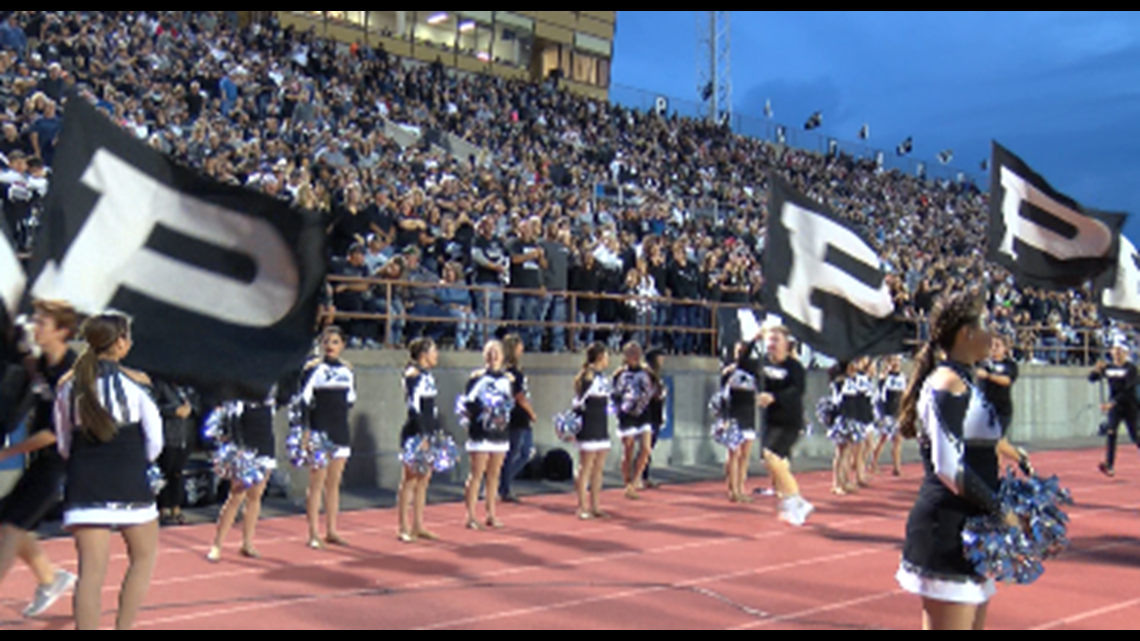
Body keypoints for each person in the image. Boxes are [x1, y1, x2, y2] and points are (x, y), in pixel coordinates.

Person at [896, 292, 1016, 631]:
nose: (993, 333)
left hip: (969, 529)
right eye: (986, 324)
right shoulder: (947, 382)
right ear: (966, 332)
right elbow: (948, 467)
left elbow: (979, 444)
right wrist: (998, 508)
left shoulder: (965, 380)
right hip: (946, 529)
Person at [54, 312, 163, 631]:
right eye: (127, 336)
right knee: (142, 559)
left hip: (85, 483)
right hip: (130, 482)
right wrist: (134, 464)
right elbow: (155, 441)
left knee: (90, 573)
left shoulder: (68, 386)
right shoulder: (138, 383)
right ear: (119, 343)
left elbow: (63, 443)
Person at [0, 301, 78, 619]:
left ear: (62, 331)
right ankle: (50, 578)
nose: (36, 325)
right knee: (10, 522)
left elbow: (54, 434)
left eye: (43, 322)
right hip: (42, 462)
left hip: (62, 465)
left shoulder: (71, 375)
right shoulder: (45, 364)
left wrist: (5, 453)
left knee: (11, 530)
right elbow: (30, 371)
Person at [298, 327, 356, 549]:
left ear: (342, 345)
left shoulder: (348, 371)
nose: (330, 346)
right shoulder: (313, 369)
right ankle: (313, 532)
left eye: (335, 341)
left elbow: (350, 401)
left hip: (340, 430)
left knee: (334, 484)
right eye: (326, 341)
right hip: (319, 430)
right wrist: (305, 431)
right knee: (316, 483)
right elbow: (303, 402)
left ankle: (331, 530)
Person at [207, 388, 278, 563]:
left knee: (255, 497)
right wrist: (237, 451)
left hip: (265, 449)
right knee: (236, 497)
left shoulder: (269, 395)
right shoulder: (238, 398)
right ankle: (217, 544)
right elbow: (232, 425)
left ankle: (247, 543)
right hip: (244, 452)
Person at [759, 325, 813, 527]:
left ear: (786, 343)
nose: (772, 344)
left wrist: (774, 397)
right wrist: (753, 340)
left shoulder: (794, 367)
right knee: (774, 463)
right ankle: (792, 500)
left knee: (772, 456)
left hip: (790, 420)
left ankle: (796, 500)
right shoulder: (763, 363)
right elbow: (743, 361)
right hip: (770, 420)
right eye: (769, 340)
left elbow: (796, 391)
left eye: (776, 340)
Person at [462, 341, 514, 530]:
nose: (493, 356)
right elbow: (467, 405)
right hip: (480, 431)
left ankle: (491, 513)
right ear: (484, 356)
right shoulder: (476, 378)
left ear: (502, 356)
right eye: (489, 353)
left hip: (500, 432)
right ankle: (471, 516)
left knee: (494, 475)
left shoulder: (507, 380)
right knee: (477, 473)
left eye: (497, 353)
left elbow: (509, 405)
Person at [398, 338, 441, 543]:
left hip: (428, 432)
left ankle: (418, 525)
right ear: (424, 354)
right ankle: (404, 527)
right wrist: (422, 434)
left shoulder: (427, 375)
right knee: (410, 480)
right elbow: (414, 407)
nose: (437, 355)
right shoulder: (413, 374)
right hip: (416, 433)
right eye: (434, 351)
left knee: (423, 480)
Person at [978, 336, 1033, 476]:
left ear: (1005, 349)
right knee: (994, 443)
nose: (994, 348)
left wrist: (989, 376)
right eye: (992, 345)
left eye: (998, 345)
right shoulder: (983, 363)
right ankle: (1015, 460)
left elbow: (1007, 380)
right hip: (985, 409)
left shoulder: (1010, 365)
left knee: (994, 441)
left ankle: (1013, 462)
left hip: (1002, 409)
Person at [572, 343, 612, 520]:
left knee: (598, 468)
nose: (608, 359)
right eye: (606, 355)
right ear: (600, 357)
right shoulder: (588, 375)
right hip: (589, 424)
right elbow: (580, 399)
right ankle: (582, 506)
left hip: (601, 424)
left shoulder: (603, 377)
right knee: (586, 467)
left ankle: (595, 505)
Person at [613, 342, 656, 501]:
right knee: (628, 450)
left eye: (637, 353)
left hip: (644, 414)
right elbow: (615, 395)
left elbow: (655, 391)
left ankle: (636, 479)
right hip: (626, 416)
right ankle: (627, 483)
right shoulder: (620, 374)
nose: (635, 356)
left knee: (645, 448)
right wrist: (618, 411)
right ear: (625, 356)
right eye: (632, 353)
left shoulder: (647, 373)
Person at [1089, 344, 1139, 478]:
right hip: (1115, 407)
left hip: (1130, 405)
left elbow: (1128, 390)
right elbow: (1092, 379)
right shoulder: (1109, 368)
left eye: (1120, 351)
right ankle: (1109, 464)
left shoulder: (1131, 369)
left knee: (1135, 435)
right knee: (1111, 432)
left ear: (1126, 353)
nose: (1117, 353)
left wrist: (1112, 403)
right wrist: (1096, 370)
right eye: (1115, 350)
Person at [153, 379, 198, 527]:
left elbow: (199, 404)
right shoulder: (162, 385)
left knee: (178, 473)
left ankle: (176, 508)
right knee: (164, 472)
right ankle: (161, 508)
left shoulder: (189, 388)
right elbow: (154, 406)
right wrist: (173, 411)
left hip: (185, 435)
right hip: (168, 435)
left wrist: (191, 409)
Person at [499, 334, 537, 504]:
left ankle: (503, 482)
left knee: (525, 451)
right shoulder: (511, 373)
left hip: (521, 417)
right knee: (514, 452)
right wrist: (531, 411)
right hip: (517, 416)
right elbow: (519, 396)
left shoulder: (514, 372)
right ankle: (503, 486)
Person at [722, 341, 759, 504]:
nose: (740, 354)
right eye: (737, 351)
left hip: (749, 415)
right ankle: (732, 489)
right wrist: (724, 418)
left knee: (745, 456)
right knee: (733, 455)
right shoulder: (729, 371)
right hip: (734, 415)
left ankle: (740, 488)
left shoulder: (754, 371)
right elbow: (722, 396)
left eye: (742, 351)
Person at [872, 356, 907, 477]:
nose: (896, 364)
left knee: (897, 440)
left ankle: (897, 467)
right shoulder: (885, 377)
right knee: (883, 439)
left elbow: (903, 394)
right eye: (893, 361)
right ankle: (873, 463)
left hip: (897, 412)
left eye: (898, 361)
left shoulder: (902, 377)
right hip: (887, 413)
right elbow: (880, 394)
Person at [642, 348, 667, 490]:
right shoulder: (647, 375)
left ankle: (644, 476)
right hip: (648, 416)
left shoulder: (657, 375)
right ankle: (640, 476)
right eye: (660, 358)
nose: (662, 361)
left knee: (648, 449)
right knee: (645, 448)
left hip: (656, 415)